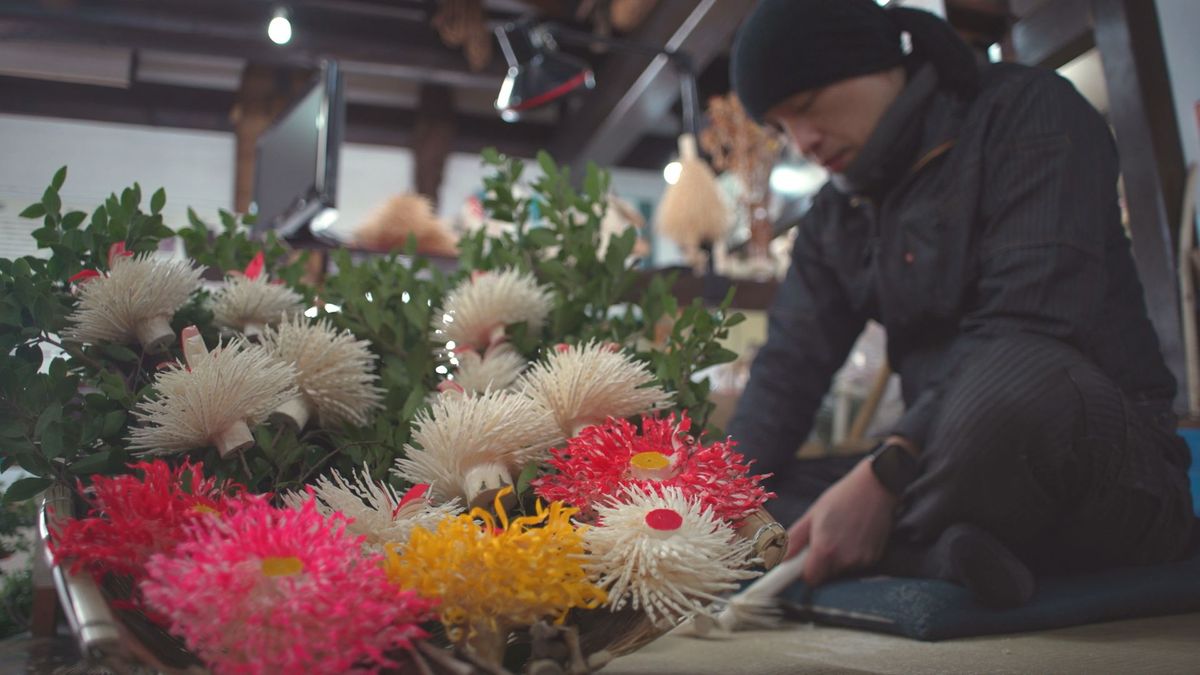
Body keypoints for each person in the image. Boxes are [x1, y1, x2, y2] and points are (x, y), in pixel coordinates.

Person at [726, 0, 1195, 608]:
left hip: (1090, 453)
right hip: (942, 462)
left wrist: (890, 469)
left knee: (1016, 384)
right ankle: (940, 553)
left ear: (873, 60)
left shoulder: (1031, 112)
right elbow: (786, 369)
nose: (803, 142)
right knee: (758, 497)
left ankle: (908, 546)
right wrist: (714, 496)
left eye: (808, 107)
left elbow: (1034, 320)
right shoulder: (836, 217)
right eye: (781, 128)